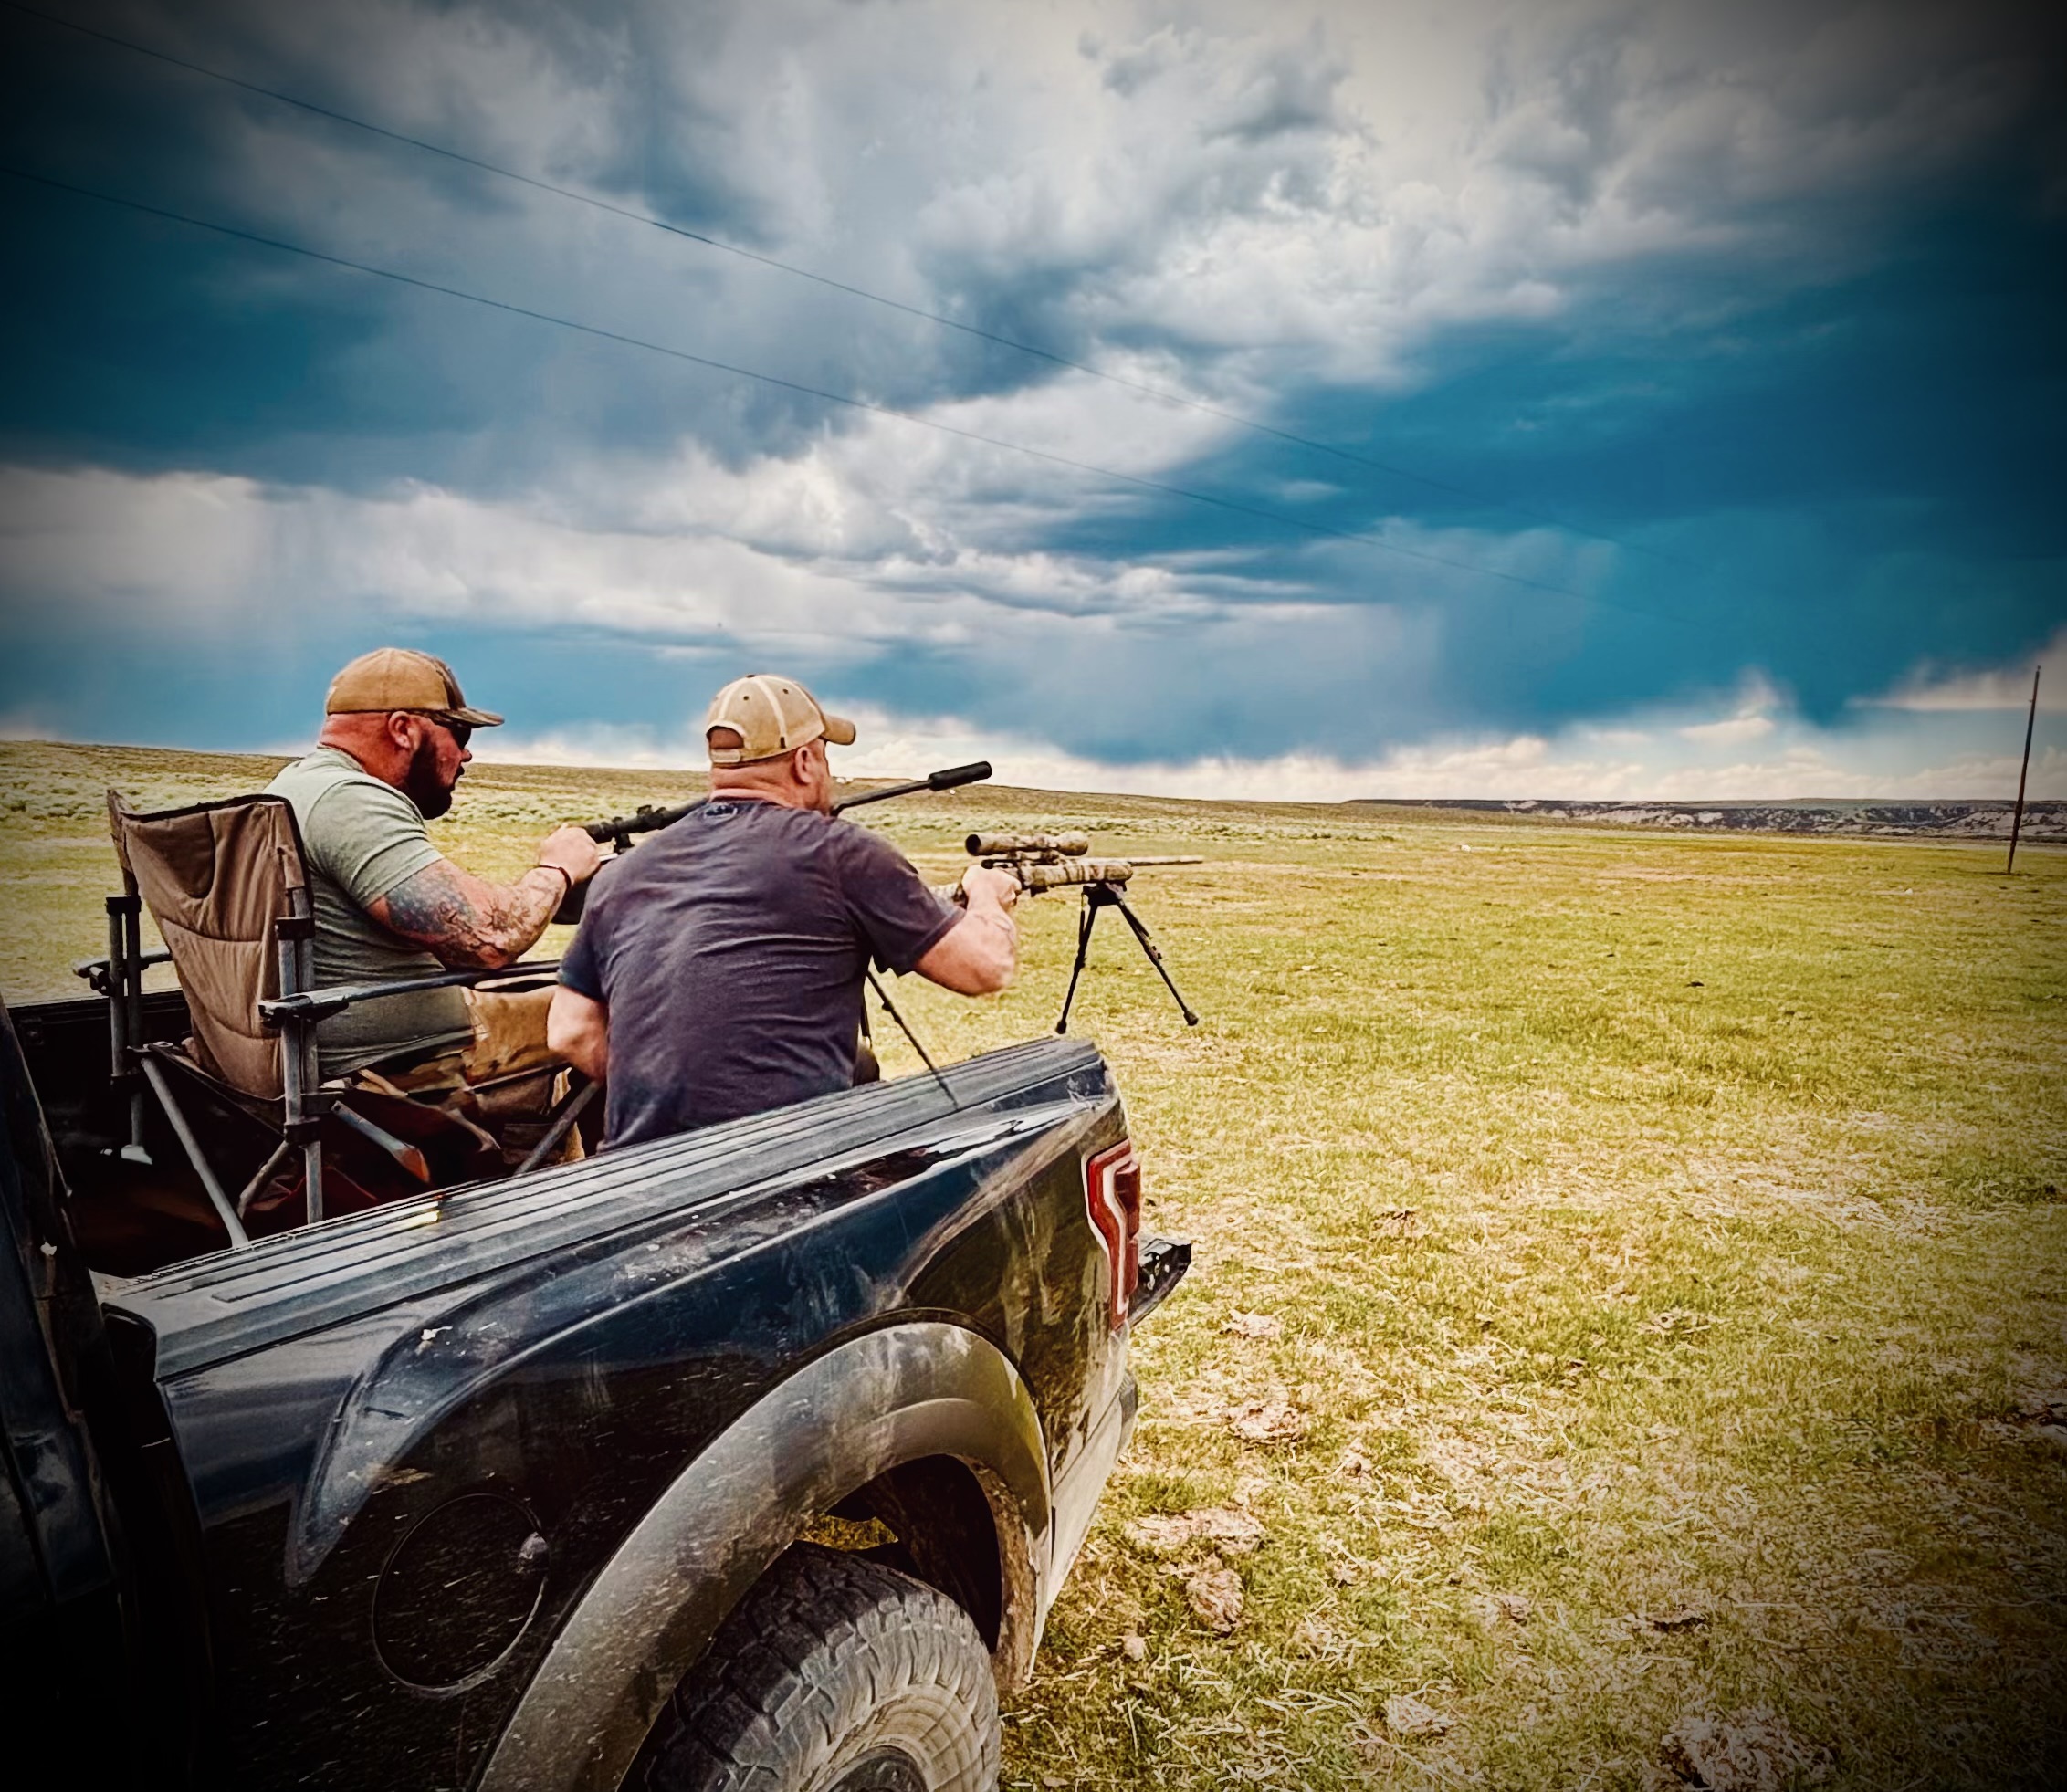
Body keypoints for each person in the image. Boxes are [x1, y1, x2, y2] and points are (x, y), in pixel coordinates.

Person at [546, 673, 1019, 1148]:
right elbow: (985, 967)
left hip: (636, 1178)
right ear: (805, 762)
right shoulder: (841, 854)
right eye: (826, 754)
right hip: (783, 1174)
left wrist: (670, 1098)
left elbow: (568, 1031)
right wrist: (986, 894)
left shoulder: (622, 873)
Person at [266, 648, 603, 1112]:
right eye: (458, 732)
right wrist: (558, 868)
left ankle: (539, 1154)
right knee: (603, 1006)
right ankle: (617, 1169)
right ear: (402, 729)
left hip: (318, 1038)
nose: (466, 753)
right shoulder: (350, 801)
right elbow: (490, 940)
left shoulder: (293, 785)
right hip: (402, 1057)